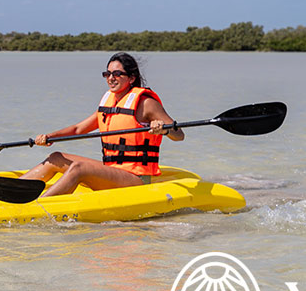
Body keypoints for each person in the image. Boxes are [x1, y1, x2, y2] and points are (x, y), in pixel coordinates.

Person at [19, 52, 184, 197]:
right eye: (108, 74)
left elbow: (179, 135)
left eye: (117, 74)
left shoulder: (146, 103)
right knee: (55, 158)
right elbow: (78, 129)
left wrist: (163, 130)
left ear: (132, 78)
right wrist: (50, 137)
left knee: (79, 168)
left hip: (135, 179)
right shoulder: (109, 103)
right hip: (111, 172)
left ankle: (39, 206)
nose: (111, 78)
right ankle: (14, 192)